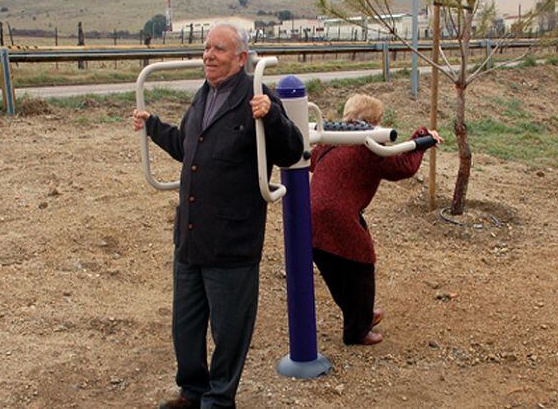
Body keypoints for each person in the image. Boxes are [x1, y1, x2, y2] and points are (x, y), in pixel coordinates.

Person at [132, 22, 303, 409]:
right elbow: (186, 148)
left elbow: (292, 151)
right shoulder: (204, 94)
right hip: (192, 236)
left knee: (229, 331)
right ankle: (192, 392)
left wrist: (272, 116)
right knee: (186, 326)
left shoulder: (257, 95)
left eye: (219, 49)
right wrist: (153, 127)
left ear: (241, 58)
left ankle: (219, 400)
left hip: (232, 240)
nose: (208, 55)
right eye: (206, 48)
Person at [309, 94, 443, 346]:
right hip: (339, 215)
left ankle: (359, 314)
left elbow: (312, 162)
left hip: (312, 216)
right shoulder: (368, 144)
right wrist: (422, 138)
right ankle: (357, 330)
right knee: (362, 263)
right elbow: (402, 166)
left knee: (337, 270)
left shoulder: (330, 140)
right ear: (373, 121)